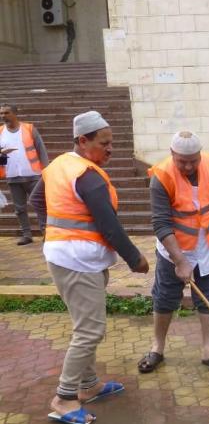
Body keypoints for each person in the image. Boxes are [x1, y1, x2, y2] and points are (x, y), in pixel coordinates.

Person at [29, 110, 149, 424]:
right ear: (83, 141)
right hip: (77, 260)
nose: (110, 149)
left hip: (68, 256)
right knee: (90, 329)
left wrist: (53, 230)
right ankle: (65, 397)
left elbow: (36, 200)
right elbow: (109, 225)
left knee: (85, 325)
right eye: (104, 143)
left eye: (112, 143)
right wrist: (135, 258)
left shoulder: (58, 166)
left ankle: (88, 385)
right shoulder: (87, 174)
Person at [137, 131, 209, 374]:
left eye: (193, 160)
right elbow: (160, 223)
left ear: (200, 154)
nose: (188, 166)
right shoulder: (161, 176)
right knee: (165, 296)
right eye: (182, 161)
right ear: (172, 154)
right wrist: (179, 260)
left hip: (207, 246)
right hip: (174, 249)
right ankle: (157, 347)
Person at [0, 103, 49, 245]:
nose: (3, 116)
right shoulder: (1, 132)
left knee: (40, 204)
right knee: (19, 208)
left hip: (33, 174)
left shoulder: (29, 128)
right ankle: (26, 234)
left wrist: (46, 169)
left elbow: (41, 149)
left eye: (6, 113)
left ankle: (46, 232)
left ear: (15, 113)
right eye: (2, 113)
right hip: (12, 175)